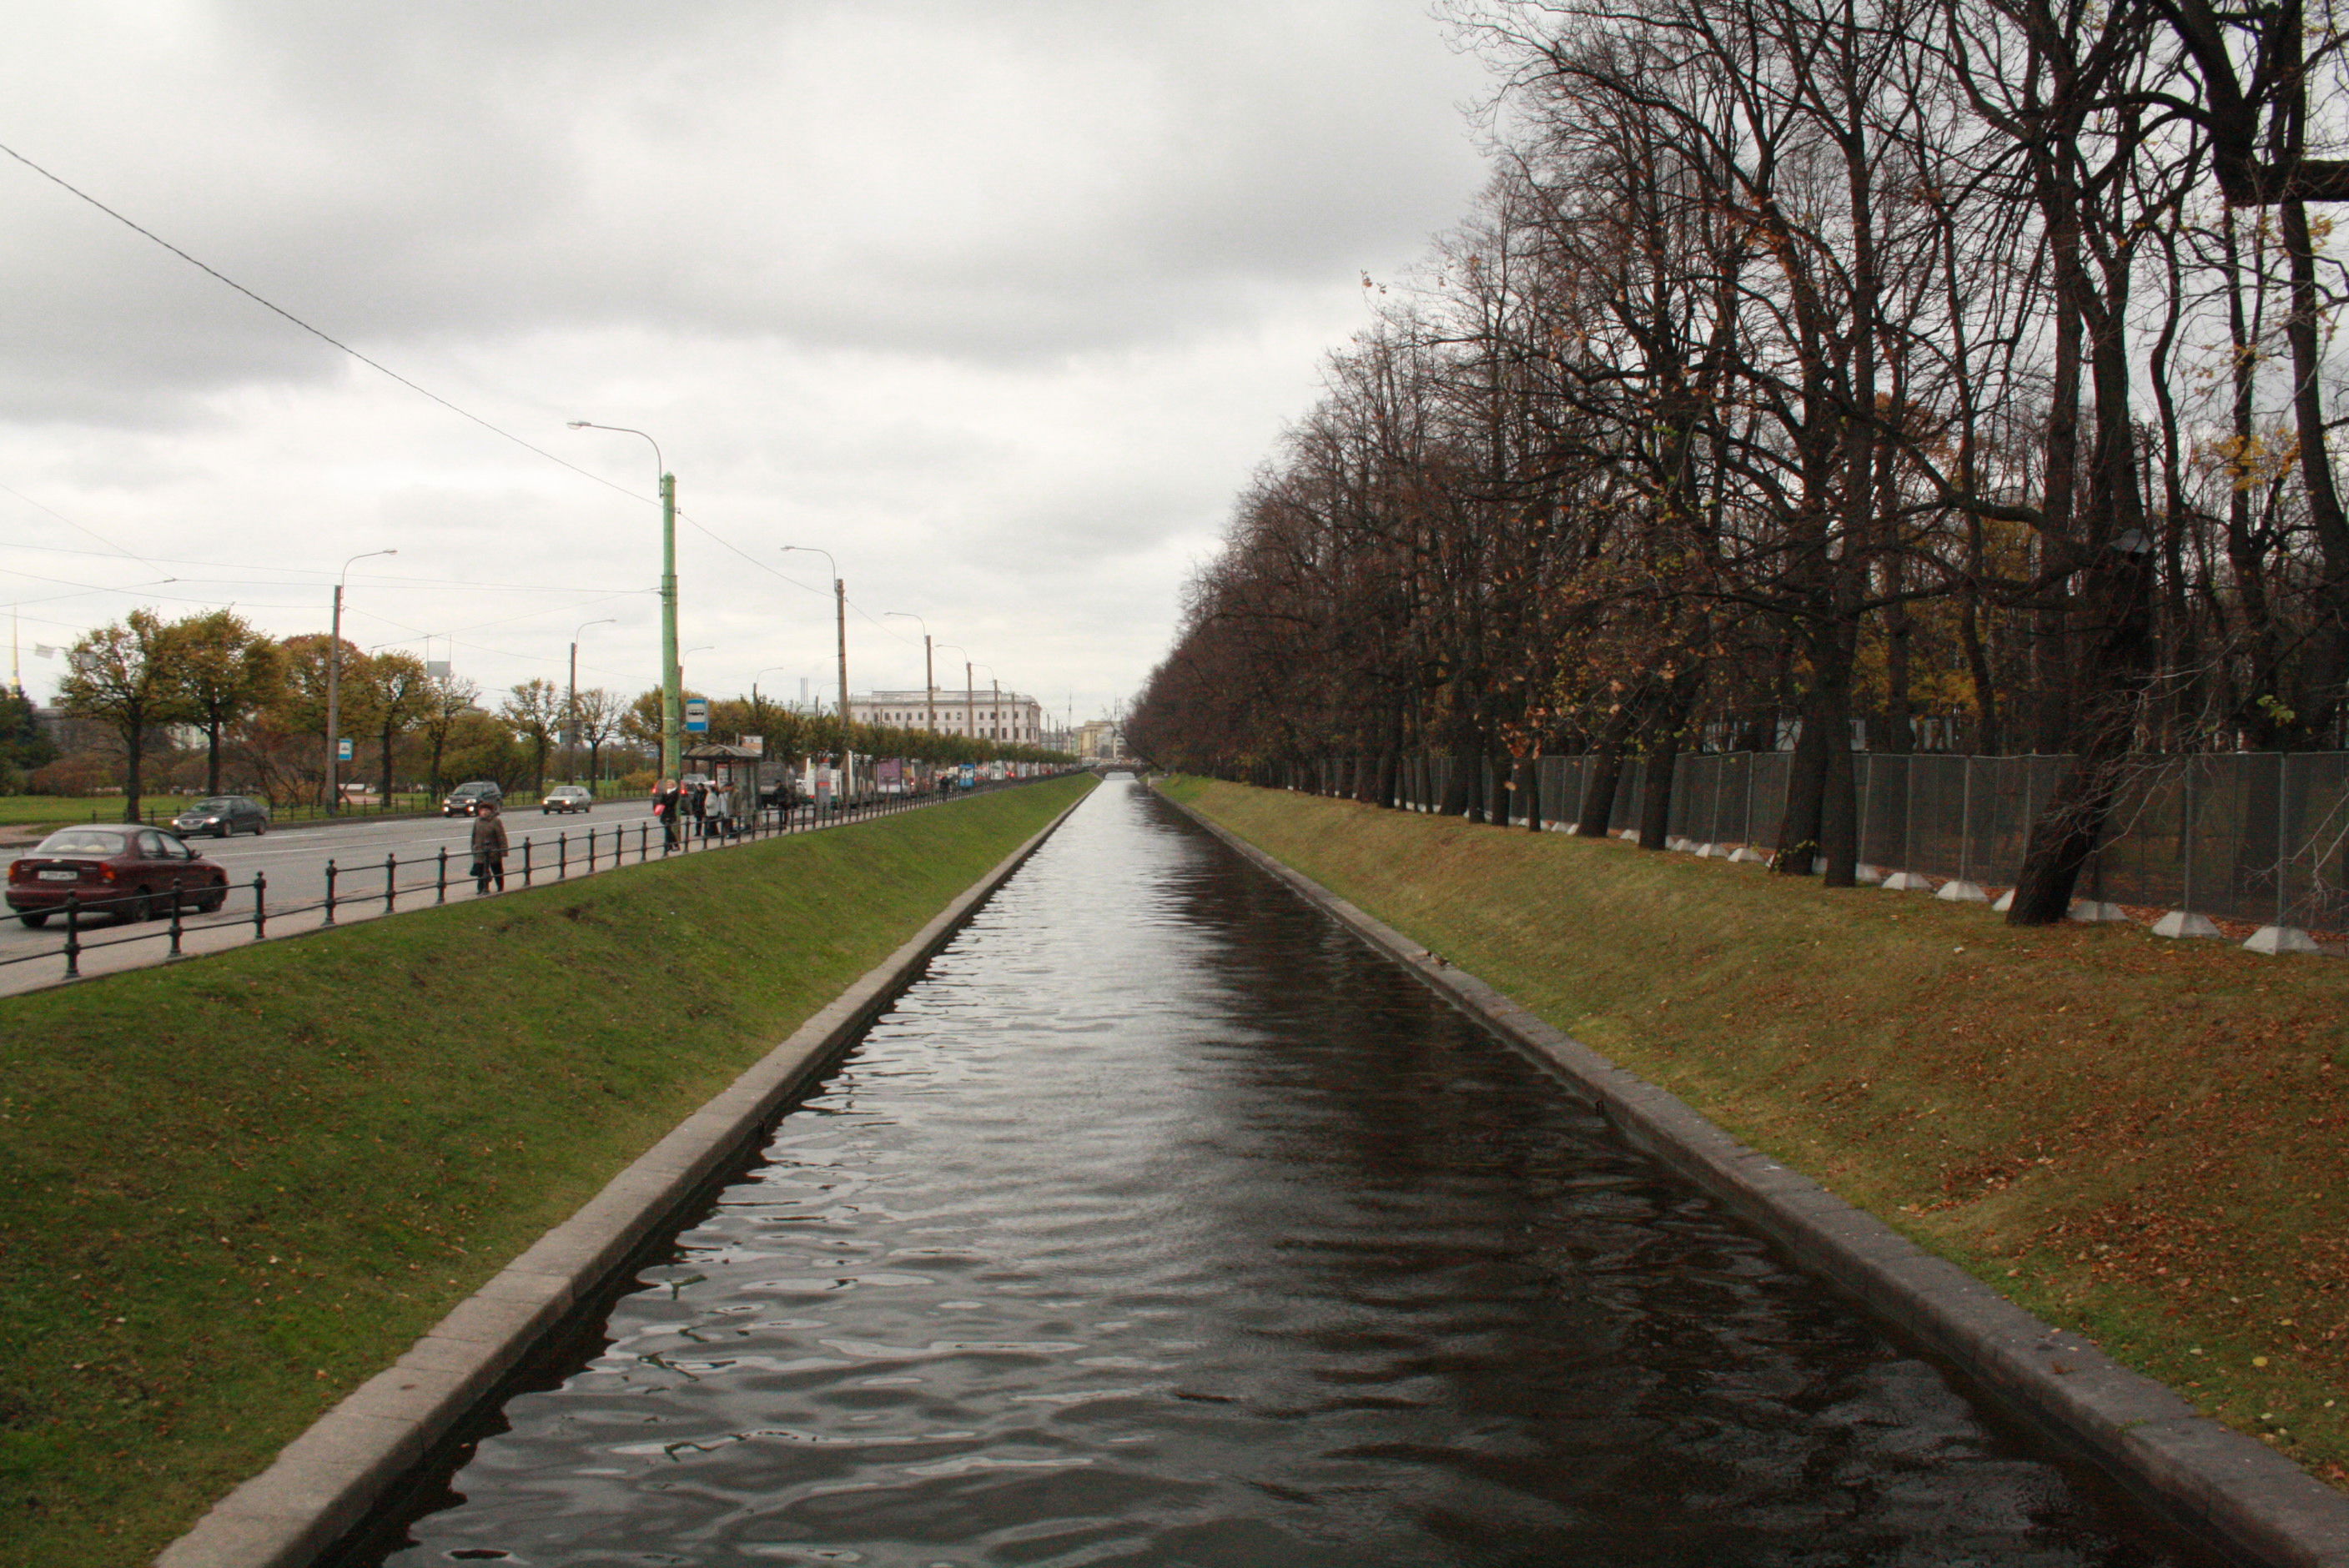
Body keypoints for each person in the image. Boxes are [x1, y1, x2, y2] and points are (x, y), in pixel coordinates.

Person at [470, 799, 509, 893]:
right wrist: (473, 848)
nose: (484, 812)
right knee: (481, 872)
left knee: (497, 870)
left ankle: (500, 887)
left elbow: (501, 836)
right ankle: (481, 889)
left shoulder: (496, 821)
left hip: (493, 851)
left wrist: (503, 851)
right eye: (483, 810)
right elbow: (474, 835)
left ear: (491, 811)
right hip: (480, 851)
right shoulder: (477, 821)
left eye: (487, 810)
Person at [653, 778, 682, 849]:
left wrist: (664, 801)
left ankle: (671, 845)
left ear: (673, 785)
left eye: (670, 784)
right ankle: (672, 845)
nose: (669, 785)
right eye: (668, 784)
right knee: (667, 829)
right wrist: (664, 797)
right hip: (665, 813)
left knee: (668, 829)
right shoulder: (666, 792)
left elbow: (671, 803)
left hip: (670, 813)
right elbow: (661, 802)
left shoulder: (675, 793)